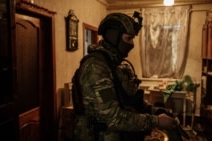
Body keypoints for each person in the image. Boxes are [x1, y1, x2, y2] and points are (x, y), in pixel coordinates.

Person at [71, 11, 178, 141]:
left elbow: (129, 101)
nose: (132, 44)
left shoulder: (114, 65)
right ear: (114, 37)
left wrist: (155, 111)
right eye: (128, 38)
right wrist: (156, 121)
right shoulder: (96, 69)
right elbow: (113, 118)